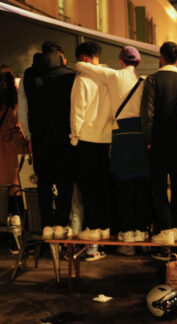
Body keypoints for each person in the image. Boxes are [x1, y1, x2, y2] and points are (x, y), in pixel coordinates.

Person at [75, 46, 151, 243]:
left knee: (124, 184)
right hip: (141, 135)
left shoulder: (114, 76)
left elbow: (84, 67)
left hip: (122, 134)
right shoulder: (144, 82)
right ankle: (141, 229)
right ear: (139, 62)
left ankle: (126, 230)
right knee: (141, 185)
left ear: (120, 61)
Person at [18, 41, 76, 239]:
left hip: (40, 137)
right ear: (59, 54)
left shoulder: (28, 74)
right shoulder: (69, 74)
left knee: (43, 182)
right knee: (65, 182)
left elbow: (23, 109)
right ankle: (60, 224)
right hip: (64, 137)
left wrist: (29, 135)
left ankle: (46, 225)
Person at [140, 42, 177, 245]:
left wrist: (148, 140)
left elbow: (147, 113)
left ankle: (166, 227)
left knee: (159, 187)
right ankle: (175, 227)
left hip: (158, 142)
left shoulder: (152, 80)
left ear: (161, 57)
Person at [70, 41, 112, 248]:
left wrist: (74, 138)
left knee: (88, 186)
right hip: (106, 139)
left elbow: (77, 111)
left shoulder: (82, 81)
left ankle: (93, 227)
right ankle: (104, 226)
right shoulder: (108, 79)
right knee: (103, 185)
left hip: (86, 138)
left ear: (84, 58)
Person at [0, 65, 28, 241]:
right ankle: (16, 238)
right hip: (14, 150)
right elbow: (22, 125)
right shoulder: (16, 101)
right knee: (16, 192)